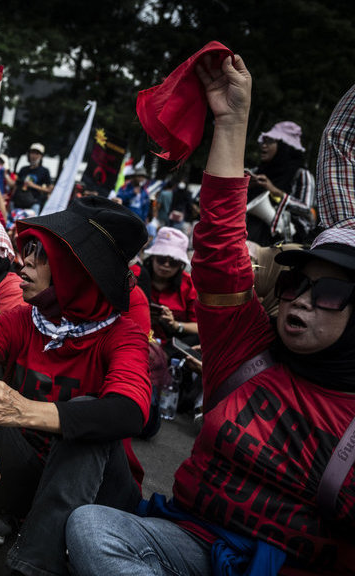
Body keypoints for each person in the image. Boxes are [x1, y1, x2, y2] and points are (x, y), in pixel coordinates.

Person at [67, 53, 355, 576]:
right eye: (295, 282)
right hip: (187, 542)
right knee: (91, 527)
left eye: (331, 291)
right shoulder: (247, 349)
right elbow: (220, 251)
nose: (304, 301)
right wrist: (230, 120)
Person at [0, 195, 151, 576]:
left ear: (77, 268)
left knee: (87, 425)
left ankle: (30, 569)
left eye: (39, 253)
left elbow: (129, 412)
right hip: (27, 480)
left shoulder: (122, 335)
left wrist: (24, 409)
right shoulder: (22, 320)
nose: (22, 261)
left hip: (99, 497)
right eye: (26, 249)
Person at [246, 120, 316, 245]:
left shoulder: (302, 174)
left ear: (284, 146)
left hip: (288, 240)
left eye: (269, 141)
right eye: (263, 141)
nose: (263, 145)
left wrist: (273, 190)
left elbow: (306, 208)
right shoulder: (258, 171)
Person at [144, 226, 199, 344]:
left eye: (173, 262)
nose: (166, 265)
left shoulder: (188, 285)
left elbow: (199, 326)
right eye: (161, 259)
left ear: (181, 265)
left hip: (172, 344)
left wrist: (175, 325)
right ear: (153, 257)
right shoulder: (136, 277)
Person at [12, 143, 52, 213]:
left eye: (37, 153)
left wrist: (33, 186)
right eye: (32, 152)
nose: (34, 155)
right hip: (18, 203)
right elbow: (16, 185)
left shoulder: (44, 171)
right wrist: (11, 200)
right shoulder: (23, 169)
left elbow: (49, 190)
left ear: (41, 156)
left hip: (34, 204)